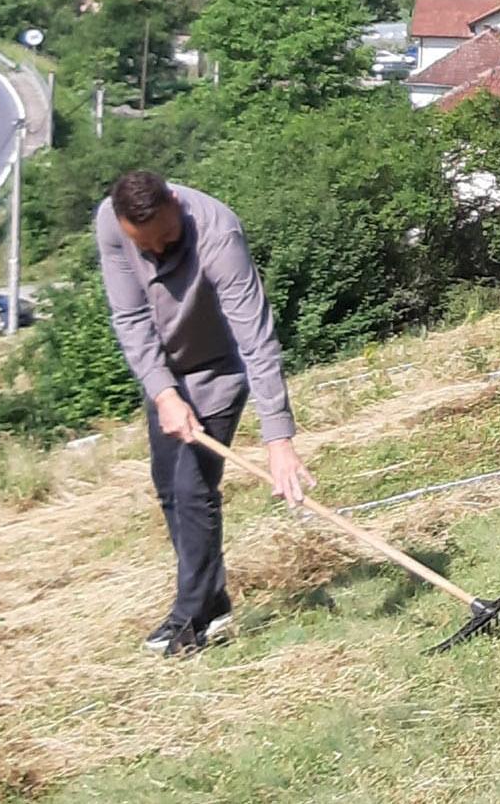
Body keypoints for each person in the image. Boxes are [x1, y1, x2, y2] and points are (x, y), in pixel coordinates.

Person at [96, 171, 313, 656]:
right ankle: (213, 606)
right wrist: (162, 391)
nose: (157, 252)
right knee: (170, 488)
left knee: (194, 490)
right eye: (144, 246)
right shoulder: (110, 223)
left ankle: (187, 619)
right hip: (165, 374)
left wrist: (278, 440)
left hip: (217, 369)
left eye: (167, 239)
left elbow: (256, 342)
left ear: (176, 204)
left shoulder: (219, 233)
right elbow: (130, 317)